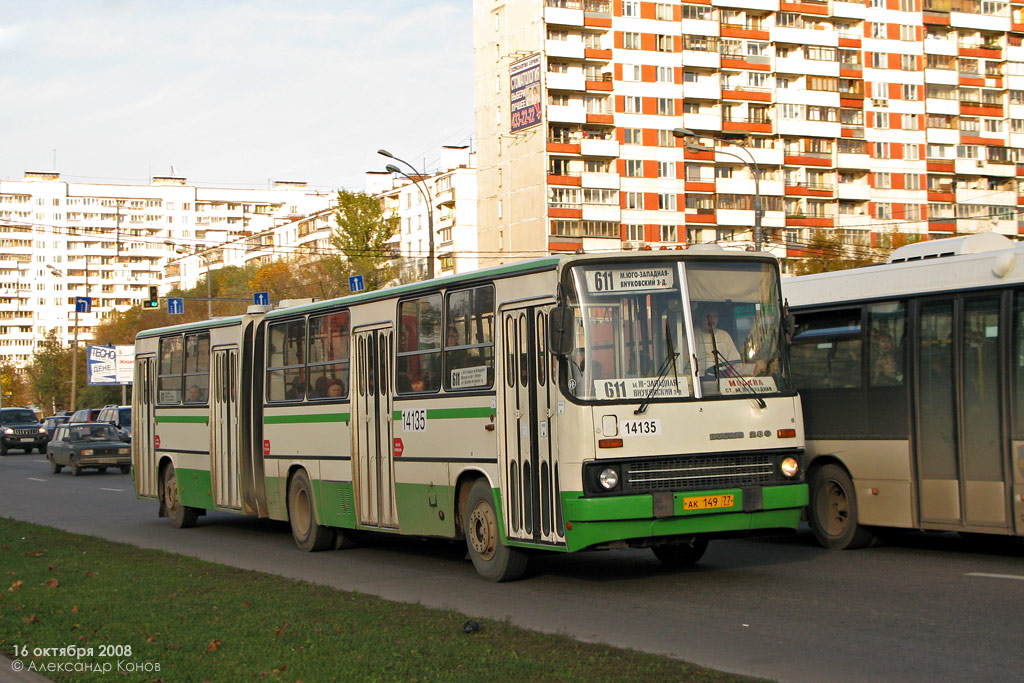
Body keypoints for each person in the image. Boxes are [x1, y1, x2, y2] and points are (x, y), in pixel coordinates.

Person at [692, 303, 740, 375]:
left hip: (721, 379)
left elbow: (735, 362)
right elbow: (679, 365)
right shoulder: (691, 336)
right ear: (700, 317)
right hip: (698, 381)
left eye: (715, 316)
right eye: (708, 316)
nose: (711, 320)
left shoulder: (724, 335)